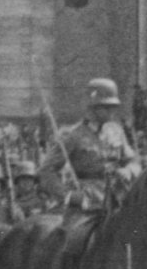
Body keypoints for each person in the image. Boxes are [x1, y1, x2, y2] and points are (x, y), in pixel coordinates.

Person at [46, 77, 138, 207]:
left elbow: (133, 161)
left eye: (113, 107)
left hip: (119, 195)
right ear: (93, 108)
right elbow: (46, 170)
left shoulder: (117, 131)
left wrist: (128, 171)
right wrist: (68, 195)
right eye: (106, 107)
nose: (112, 112)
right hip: (87, 200)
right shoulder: (72, 135)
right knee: (75, 228)